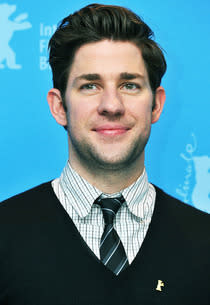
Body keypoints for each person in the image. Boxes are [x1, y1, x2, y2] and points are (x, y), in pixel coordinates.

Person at [0, 3, 209, 305]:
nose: (111, 105)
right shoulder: (4, 234)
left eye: (129, 85)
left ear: (156, 104)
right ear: (59, 107)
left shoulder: (206, 241)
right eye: (90, 85)